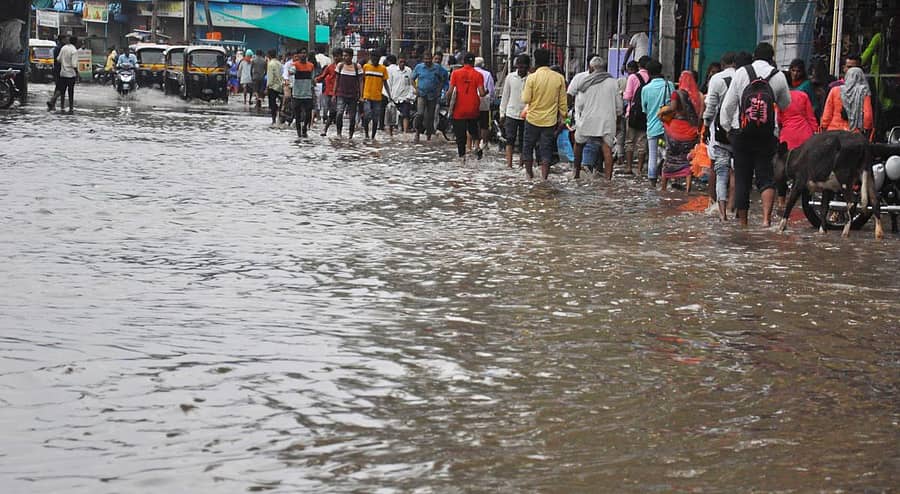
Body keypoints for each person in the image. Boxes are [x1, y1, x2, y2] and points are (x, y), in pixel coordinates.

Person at [719, 42, 791, 228]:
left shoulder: (742, 73)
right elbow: (785, 104)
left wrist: (728, 129)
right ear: (772, 57)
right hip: (767, 134)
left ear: (754, 55)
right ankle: (766, 220)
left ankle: (744, 224)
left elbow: (728, 106)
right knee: (765, 176)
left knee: (742, 177)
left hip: (741, 133)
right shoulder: (778, 76)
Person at [703, 51, 742, 221]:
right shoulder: (744, 77)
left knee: (719, 171)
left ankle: (721, 211)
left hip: (719, 131)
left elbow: (710, 107)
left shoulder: (716, 79)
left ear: (723, 63)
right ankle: (733, 208)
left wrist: (705, 126)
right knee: (735, 172)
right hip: (740, 130)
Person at [520, 48, 568, 180]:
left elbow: (526, 99)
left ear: (536, 61)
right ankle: (544, 178)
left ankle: (529, 176)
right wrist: (565, 118)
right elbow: (563, 103)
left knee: (528, 147)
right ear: (549, 61)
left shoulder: (532, 78)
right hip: (550, 121)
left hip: (532, 119)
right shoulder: (559, 78)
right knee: (546, 149)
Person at [572, 56, 622, 180]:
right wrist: (618, 119)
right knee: (607, 148)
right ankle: (608, 179)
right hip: (607, 120)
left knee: (578, 144)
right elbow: (619, 106)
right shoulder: (613, 82)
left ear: (590, 68)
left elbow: (580, 104)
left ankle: (576, 173)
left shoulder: (585, 83)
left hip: (588, 119)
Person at [640, 59, 676, 187]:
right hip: (668, 126)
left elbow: (644, 109)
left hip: (652, 126)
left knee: (653, 155)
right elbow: (674, 105)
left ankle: (652, 182)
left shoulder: (646, 89)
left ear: (648, 73)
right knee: (669, 154)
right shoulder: (670, 85)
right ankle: (669, 180)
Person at [657, 90, 700, 192]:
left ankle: (663, 189)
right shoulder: (693, 95)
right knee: (687, 161)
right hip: (689, 131)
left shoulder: (676, 94)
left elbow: (672, 108)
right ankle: (687, 190)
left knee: (669, 161)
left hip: (675, 131)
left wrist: (661, 113)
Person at [448, 53, 486, 163]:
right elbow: (482, 93)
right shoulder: (478, 75)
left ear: (463, 62)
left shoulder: (455, 73)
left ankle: (462, 159)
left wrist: (448, 103)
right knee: (473, 131)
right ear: (473, 62)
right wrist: (486, 91)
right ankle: (477, 148)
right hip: (473, 109)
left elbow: (450, 92)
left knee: (460, 137)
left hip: (459, 110)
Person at [821, 67, 874, 135]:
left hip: (833, 131)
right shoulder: (864, 93)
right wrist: (866, 128)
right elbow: (867, 116)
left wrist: (824, 126)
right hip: (854, 134)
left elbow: (827, 114)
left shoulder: (835, 90)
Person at [499, 54, 530, 169]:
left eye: (523, 67)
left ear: (528, 67)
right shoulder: (510, 77)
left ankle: (521, 165)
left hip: (526, 114)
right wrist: (502, 113)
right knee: (509, 139)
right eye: (519, 67)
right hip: (511, 113)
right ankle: (509, 165)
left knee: (523, 141)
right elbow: (505, 96)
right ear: (516, 66)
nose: (521, 69)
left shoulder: (531, 78)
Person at [411, 51, 449, 142]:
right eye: (425, 59)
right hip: (421, 94)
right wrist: (416, 89)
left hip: (433, 96)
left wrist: (440, 90)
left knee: (430, 117)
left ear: (431, 59)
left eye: (429, 59)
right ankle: (417, 132)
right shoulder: (419, 67)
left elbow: (444, 79)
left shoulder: (438, 68)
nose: (427, 61)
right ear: (423, 60)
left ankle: (428, 136)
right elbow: (412, 79)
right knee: (420, 114)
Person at [622, 56, 651, 176]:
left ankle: (629, 167)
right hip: (646, 114)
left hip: (632, 113)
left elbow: (627, 96)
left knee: (629, 141)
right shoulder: (651, 78)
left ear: (639, 65)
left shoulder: (633, 77)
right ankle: (640, 169)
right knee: (642, 142)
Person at [360, 50, 390, 140]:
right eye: (373, 57)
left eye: (377, 58)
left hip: (377, 97)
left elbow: (385, 83)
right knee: (367, 114)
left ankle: (373, 136)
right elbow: (362, 81)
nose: (375, 59)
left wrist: (389, 95)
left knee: (376, 118)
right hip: (367, 96)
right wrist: (361, 94)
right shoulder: (366, 67)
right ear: (371, 57)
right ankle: (366, 134)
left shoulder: (383, 69)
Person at [333, 48, 364, 139]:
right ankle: (339, 133)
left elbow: (361, 82)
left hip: (353, 96)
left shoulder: (357, 67)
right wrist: (334, 94)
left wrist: (361, 95)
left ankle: (350, 135)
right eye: (343, 55)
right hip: (341, 94)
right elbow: (336, 80)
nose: (344, 57)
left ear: (351, 56)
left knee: (352, 117)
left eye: (346, 55)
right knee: (339, 113)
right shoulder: (340, 65)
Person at [288, 49, 316, 138]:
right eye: (301, 53)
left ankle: (304, 129)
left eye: (305, 53)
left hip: (307, 93)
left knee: (308, 114)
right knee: (297, 115)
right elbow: (291, 71)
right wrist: (293, 70)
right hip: (297, 94)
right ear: (298, 55)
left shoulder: (311, 66)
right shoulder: (295, 65)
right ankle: (299, 133)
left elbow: (313, 78)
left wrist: (313, 89)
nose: (303, 55)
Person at [47, 36, 78, 113]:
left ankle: (61, 106)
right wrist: (77, 73)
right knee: (70, 91)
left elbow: (58, 59)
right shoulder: (74, 51)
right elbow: (74, 65)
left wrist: (64, 64)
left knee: (62, 90)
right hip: (71, 74)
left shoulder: (63, 48)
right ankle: (71, 108)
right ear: (76, 43)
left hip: (62, 73)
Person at [385, 55, 414, 136]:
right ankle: (391, 134)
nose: (402, 63)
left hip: (405, 97)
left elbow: (411, 84)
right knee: (392, 116)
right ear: (397, 62)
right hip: (394, 97)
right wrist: (389, 96)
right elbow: (389, 83)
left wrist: (410, 95)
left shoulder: (409, 70)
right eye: (401, 62)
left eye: (404, 62)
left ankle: (405, 133)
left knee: (405, 115)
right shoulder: (393, 71)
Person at [473, 57, 495, 155]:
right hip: (484, 101)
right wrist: (492, 100)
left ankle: (471, 146)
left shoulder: (470, 72)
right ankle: (484, 144)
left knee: (471, 123)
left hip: (471, 100)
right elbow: (491, 89)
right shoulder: (487, 74)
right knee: (484, 124)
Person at [265, 49, 283, 125]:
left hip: (272, 87)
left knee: (272, 104)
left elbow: (270, 77)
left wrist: (267, 87)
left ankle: (274, 120)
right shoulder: (280, 63)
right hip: (279, 86)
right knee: (280, 102)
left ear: (269, 55)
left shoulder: (270, 64)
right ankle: (279, 117)